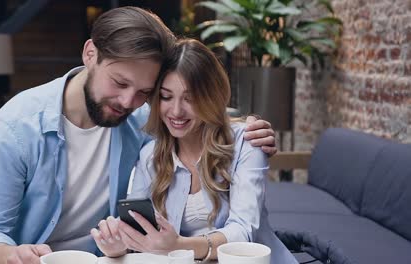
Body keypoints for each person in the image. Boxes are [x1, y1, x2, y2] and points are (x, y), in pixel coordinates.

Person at [0, 7, 277, 264]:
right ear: (90, 54)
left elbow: (194, 112)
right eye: (119, 82)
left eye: (144, 92)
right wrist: (12, 256)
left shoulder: (138, 119)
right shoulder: (16, 128)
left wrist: (248, 127)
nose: (128, 102)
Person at [91, 39, 296, 263]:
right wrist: (119, 244)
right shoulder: (150, 155)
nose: (176, 111)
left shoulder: (246, 142)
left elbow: (244, 232)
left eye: (190, 98)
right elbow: (138, 228)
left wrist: (179, 246)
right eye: (166, 97)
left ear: (211, 97)